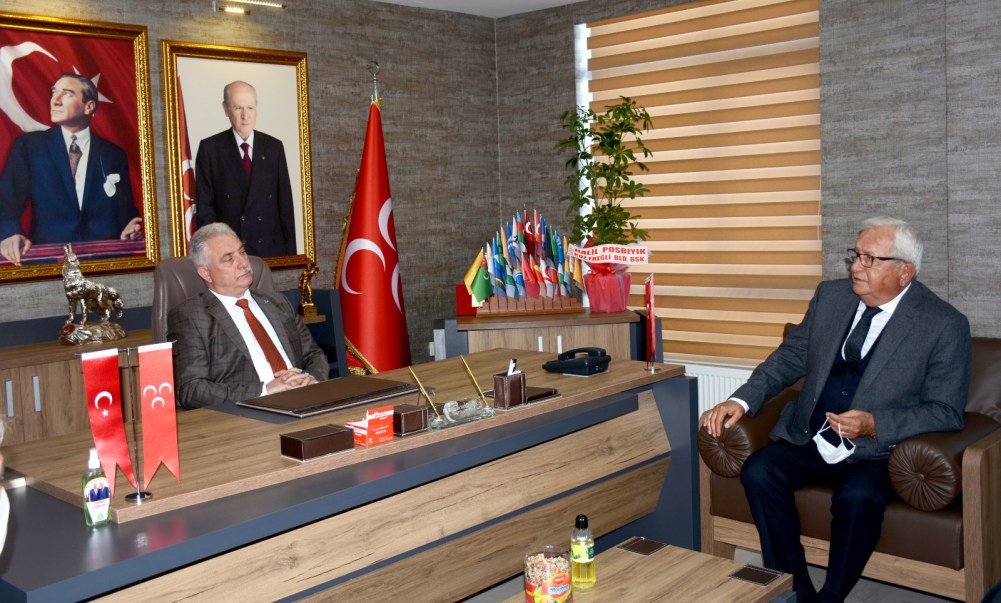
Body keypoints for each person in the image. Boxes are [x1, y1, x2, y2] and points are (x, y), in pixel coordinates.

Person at [701, 216, 971, 603]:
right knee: (760, 471)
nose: (856, 266)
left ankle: (832, 595)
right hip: (811, 435)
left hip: (877, 450)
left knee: (857, 498)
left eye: (870, 259)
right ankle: (794, 588)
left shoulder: (943, 324)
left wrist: (875, 424)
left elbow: (945, 411)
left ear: (904, 272)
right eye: (855, 255)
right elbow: (790, 358)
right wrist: (741, 400)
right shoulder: (831, 296)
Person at [167, 223, 327, 409]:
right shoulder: (190, 316)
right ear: (206, 273)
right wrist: (265, 390)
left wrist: (309, 379)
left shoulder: (277, 302)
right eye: (229, 259)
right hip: (248, 411)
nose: (243, 263)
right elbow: (192, 390)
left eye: (242, 252)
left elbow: (314, 355)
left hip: (305, 400)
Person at [0, 73, 142, 266]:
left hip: (103, 264)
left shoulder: (113, 154)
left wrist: (131, 228)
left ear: (88, 106)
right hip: (49, 263)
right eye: (54, 92)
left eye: (66, 93)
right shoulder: (29, 147)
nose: (55, 100)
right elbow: (6, 203)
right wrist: (9, 233)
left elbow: (126, 213)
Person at [194, 80, 296, 257]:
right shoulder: (210, 149)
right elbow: (205, 212)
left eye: (250, 108)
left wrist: (291, 258)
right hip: (231, 254)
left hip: (271, 252)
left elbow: (285, 208)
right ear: (225, 109)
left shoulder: (274, 148)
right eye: (238, 108)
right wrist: (214, 255)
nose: (245, 116)